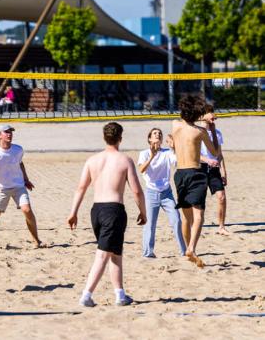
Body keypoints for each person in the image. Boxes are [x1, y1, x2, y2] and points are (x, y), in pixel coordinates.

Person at [67, 122, 147, 307]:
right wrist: (143, 212)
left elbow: (81, 187)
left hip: (96, 211)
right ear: (120, 138)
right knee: (103, 254)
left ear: (105, 137)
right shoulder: (124, 160)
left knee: (115, 253)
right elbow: (136, 191)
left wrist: (74, 212)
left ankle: (120, 294)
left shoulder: (92, 160)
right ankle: (86, 295)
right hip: (114, 210)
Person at [0, 124, 44, 250]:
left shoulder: (18, 149)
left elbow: (20, 163)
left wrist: (26, 179)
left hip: (18, 186)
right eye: (6, 132)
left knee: (27, 210)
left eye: (11, 132)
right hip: (1, 189)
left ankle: (37, 240)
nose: (10, 134)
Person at [172, 95, 218, 268]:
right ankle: (192, 247)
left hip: (180, 174)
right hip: (196, 173)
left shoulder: (175, 125)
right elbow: (214, 152)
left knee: (186, 218)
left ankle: (187, 250)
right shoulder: (201, 132)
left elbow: (183, 118)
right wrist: (211, 129)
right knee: (199, 216)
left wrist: (199, 116)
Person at [137, 128, 186, 258]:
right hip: (151, 193)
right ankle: (148, 253)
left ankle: (184, 251)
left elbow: (178, 163)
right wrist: (152, 156)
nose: (157, 134)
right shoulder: (144, 153)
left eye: (159, 133)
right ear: (149, 139)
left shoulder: (167, 152)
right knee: (150, 224)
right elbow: (141, 169)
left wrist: (174, 148)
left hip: (166, 193)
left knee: (176, 220)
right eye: (154, 133)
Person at [200, 104, 229, 235]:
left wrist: (224, 172)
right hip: (199, 168)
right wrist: (206, 160)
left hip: (214, 168)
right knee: (198, 201)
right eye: (210, 112)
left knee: (222, 197)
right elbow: (192, 153)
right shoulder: (197, 132)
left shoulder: (217, 133)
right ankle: (196, 224)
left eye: (213, 112)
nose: (213, 115)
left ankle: (221, 227)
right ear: (202, 116)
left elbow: (219, 154)